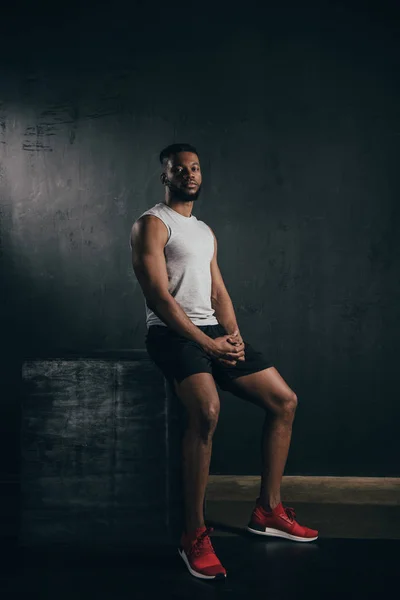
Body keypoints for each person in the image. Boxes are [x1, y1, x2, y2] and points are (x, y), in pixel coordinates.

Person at [130, 143, 318, 581]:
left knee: (284, 401)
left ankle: (268, 511)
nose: (190, 174)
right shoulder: (151, 225)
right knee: (207, 411)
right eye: (180, 169)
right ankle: (193, 533)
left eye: (195, 168)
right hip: (171, 335)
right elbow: (158, 297)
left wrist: (231, 338)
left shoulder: (204, 231)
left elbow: (218, 292)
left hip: (212, 333)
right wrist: (205, 344)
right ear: (166, 176)